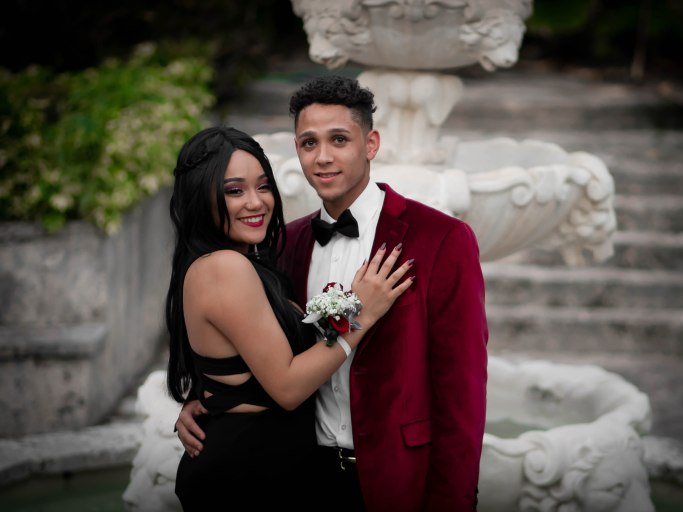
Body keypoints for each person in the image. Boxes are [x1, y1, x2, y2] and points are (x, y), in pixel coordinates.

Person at [176, 76, 489, 511]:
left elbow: (462, 391)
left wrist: (453, 502)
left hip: (397, 479)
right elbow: (249, 344)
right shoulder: (283, 244)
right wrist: (206, 400)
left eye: (339, 139)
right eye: (309, 143)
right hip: (302, 478)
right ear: (297, 150)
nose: (322, 157)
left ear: (371, 144)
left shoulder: (441, 239)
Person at [166, 126, 414, 511]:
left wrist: (203, 398)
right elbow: (286, 385)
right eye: (234, 191)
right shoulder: (225, 268)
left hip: (265, 465)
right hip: (246, 475)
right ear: (202, 196)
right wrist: (360, 314)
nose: (256, 202)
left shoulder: (239, 263)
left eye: (263, 186)